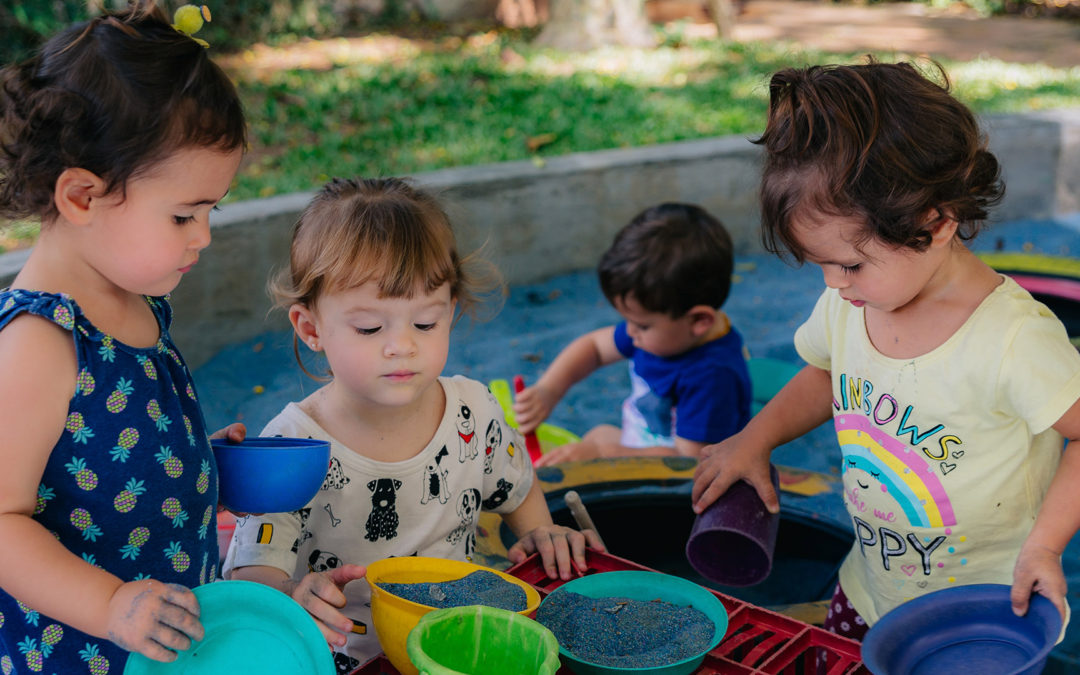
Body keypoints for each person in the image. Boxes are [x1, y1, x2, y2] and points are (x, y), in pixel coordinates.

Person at [690, 59, 1080, 641]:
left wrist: (1045, 547)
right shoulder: (852, 302)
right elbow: (826, 373)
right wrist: (756, 438)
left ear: (936, 221)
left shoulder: (1014, 340)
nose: (831, 283)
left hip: (986, 607)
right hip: (871, 584)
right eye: (820, 264)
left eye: (848, 263)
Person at [222, 177, 603, 671]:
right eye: (369, 327)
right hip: (342, 658)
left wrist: (540, 532)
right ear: (311, 329)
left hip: (460, 646)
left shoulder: (474, 411)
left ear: (452, 311)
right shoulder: (291, 447)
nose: (402, 345)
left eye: (425, 322)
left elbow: (517, 486)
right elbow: (254, 579)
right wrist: (293, 594)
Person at [0, 3, 248, 673]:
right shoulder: (38, 343)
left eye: (210, 211)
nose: (203, 236)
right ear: (81, 196)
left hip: (159, 647)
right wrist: (111, 604)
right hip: (79, 655)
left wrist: (194, 457)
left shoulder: (137, 301)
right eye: (182, 215)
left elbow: (110, 446)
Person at [514, 202, 752, 466]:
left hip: (680, 473)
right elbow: (593, 347)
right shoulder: (664, 331)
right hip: (644, 442)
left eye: (641, 325)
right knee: (597, 435)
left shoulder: (712, 375)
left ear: (698, 321)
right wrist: (549, 390)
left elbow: (690, 462)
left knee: (596, 448)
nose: (629, 332)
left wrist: (605, 454)